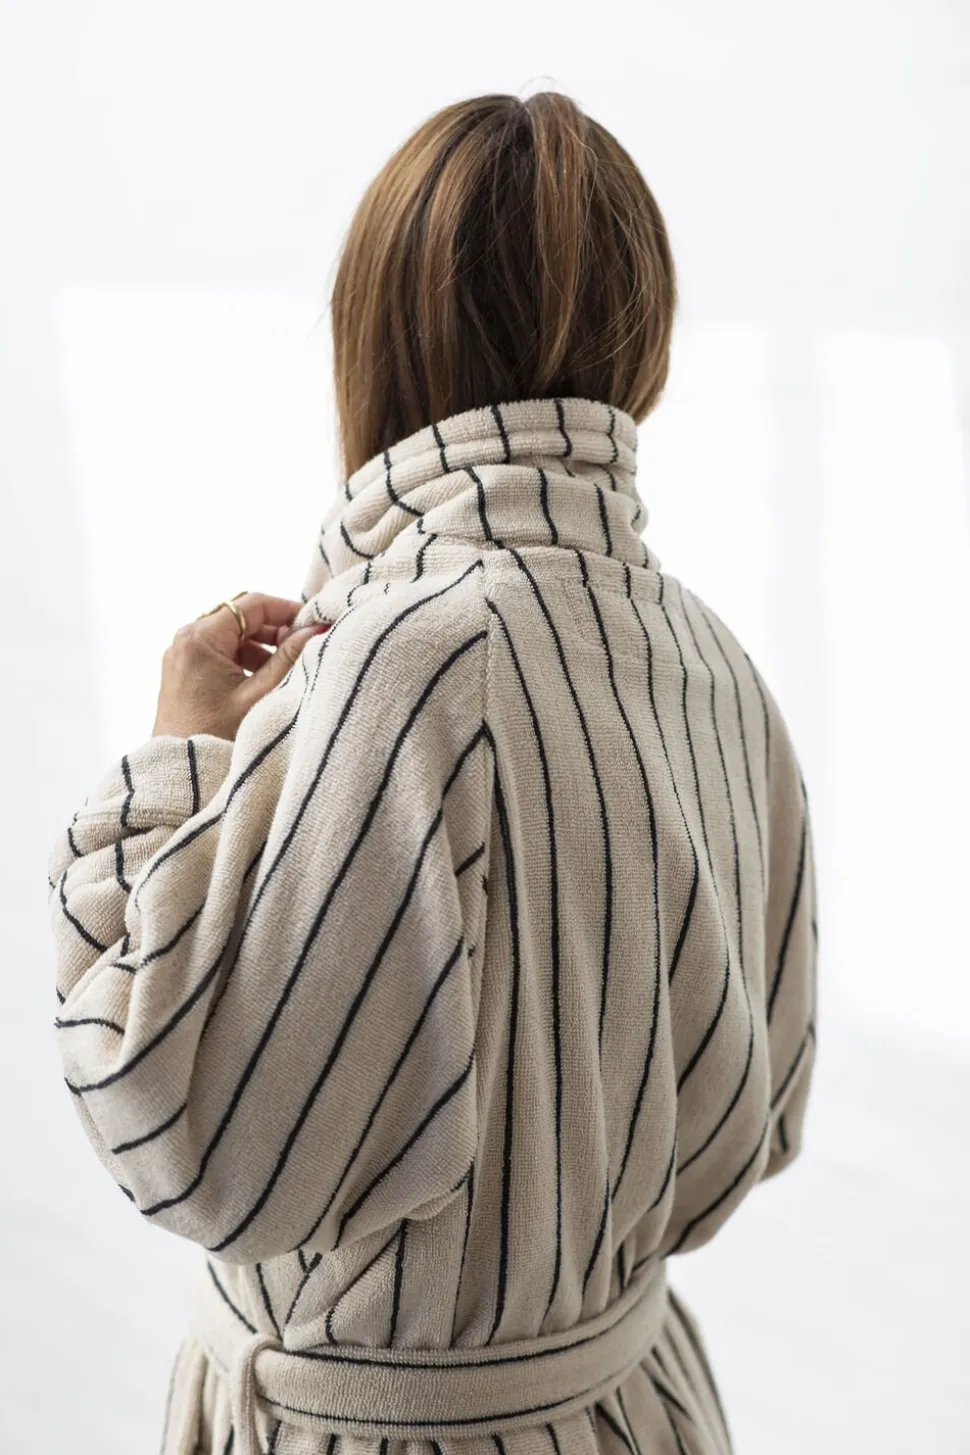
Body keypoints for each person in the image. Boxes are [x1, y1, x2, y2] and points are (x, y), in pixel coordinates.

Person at [46, 90, 818, 1455]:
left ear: (378, 332)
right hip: (638, 1406)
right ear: (641, 337)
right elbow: (755, 1120)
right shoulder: (715, 664)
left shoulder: (407, 662)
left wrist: (178, 764)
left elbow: (181, 1132)